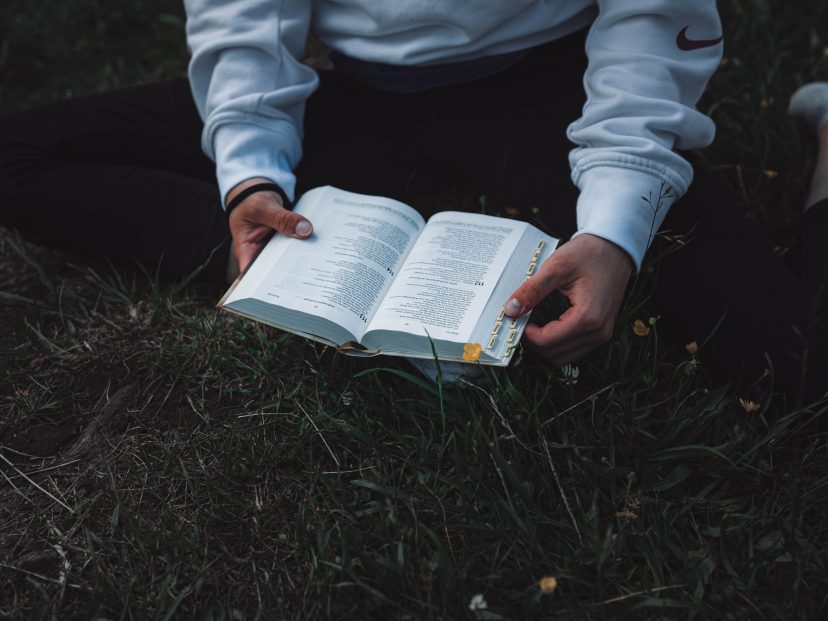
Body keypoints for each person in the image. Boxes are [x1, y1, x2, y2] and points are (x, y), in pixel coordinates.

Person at [0, 1, 825, 399]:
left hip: (550, 88)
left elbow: (649, 19)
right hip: (365, 96)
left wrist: (614, 225)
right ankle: (282, 262)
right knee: (20, 154)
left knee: (796, 360)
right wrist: (249, 177)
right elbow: (243, 15)